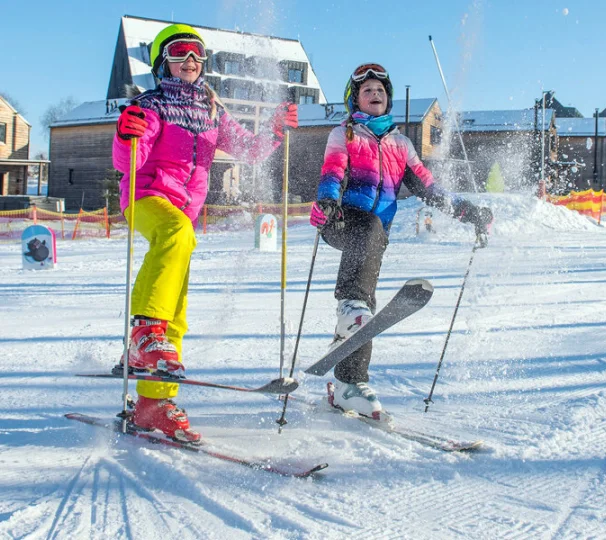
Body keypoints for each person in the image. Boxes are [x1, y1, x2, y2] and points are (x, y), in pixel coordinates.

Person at [112, 24, 298, 443]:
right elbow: (128, 160)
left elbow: (249, 151)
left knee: (176, 306)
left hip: (183, 211)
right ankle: (144, 334)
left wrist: (273, 131)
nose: (191, 60)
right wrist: (128, 135)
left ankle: (153, 403)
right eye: (180, 52)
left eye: (197, 54)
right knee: (175, 233)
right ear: (163, 61)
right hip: (145, 196)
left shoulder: (213, 110)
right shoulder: (152, 104)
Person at [309, 63, 492, 418]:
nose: (375, 94)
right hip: (341, 219)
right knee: (362, 277)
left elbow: (430, 187)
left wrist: (467, 211)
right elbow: (332, 172)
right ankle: (349, 307)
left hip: (375, 235)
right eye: (367, 91)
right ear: (355, 100)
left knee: (367, 306)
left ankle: (350, 383)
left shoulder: (401, 144)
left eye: (380, 90)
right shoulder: (344, 135)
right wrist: (327, 201)